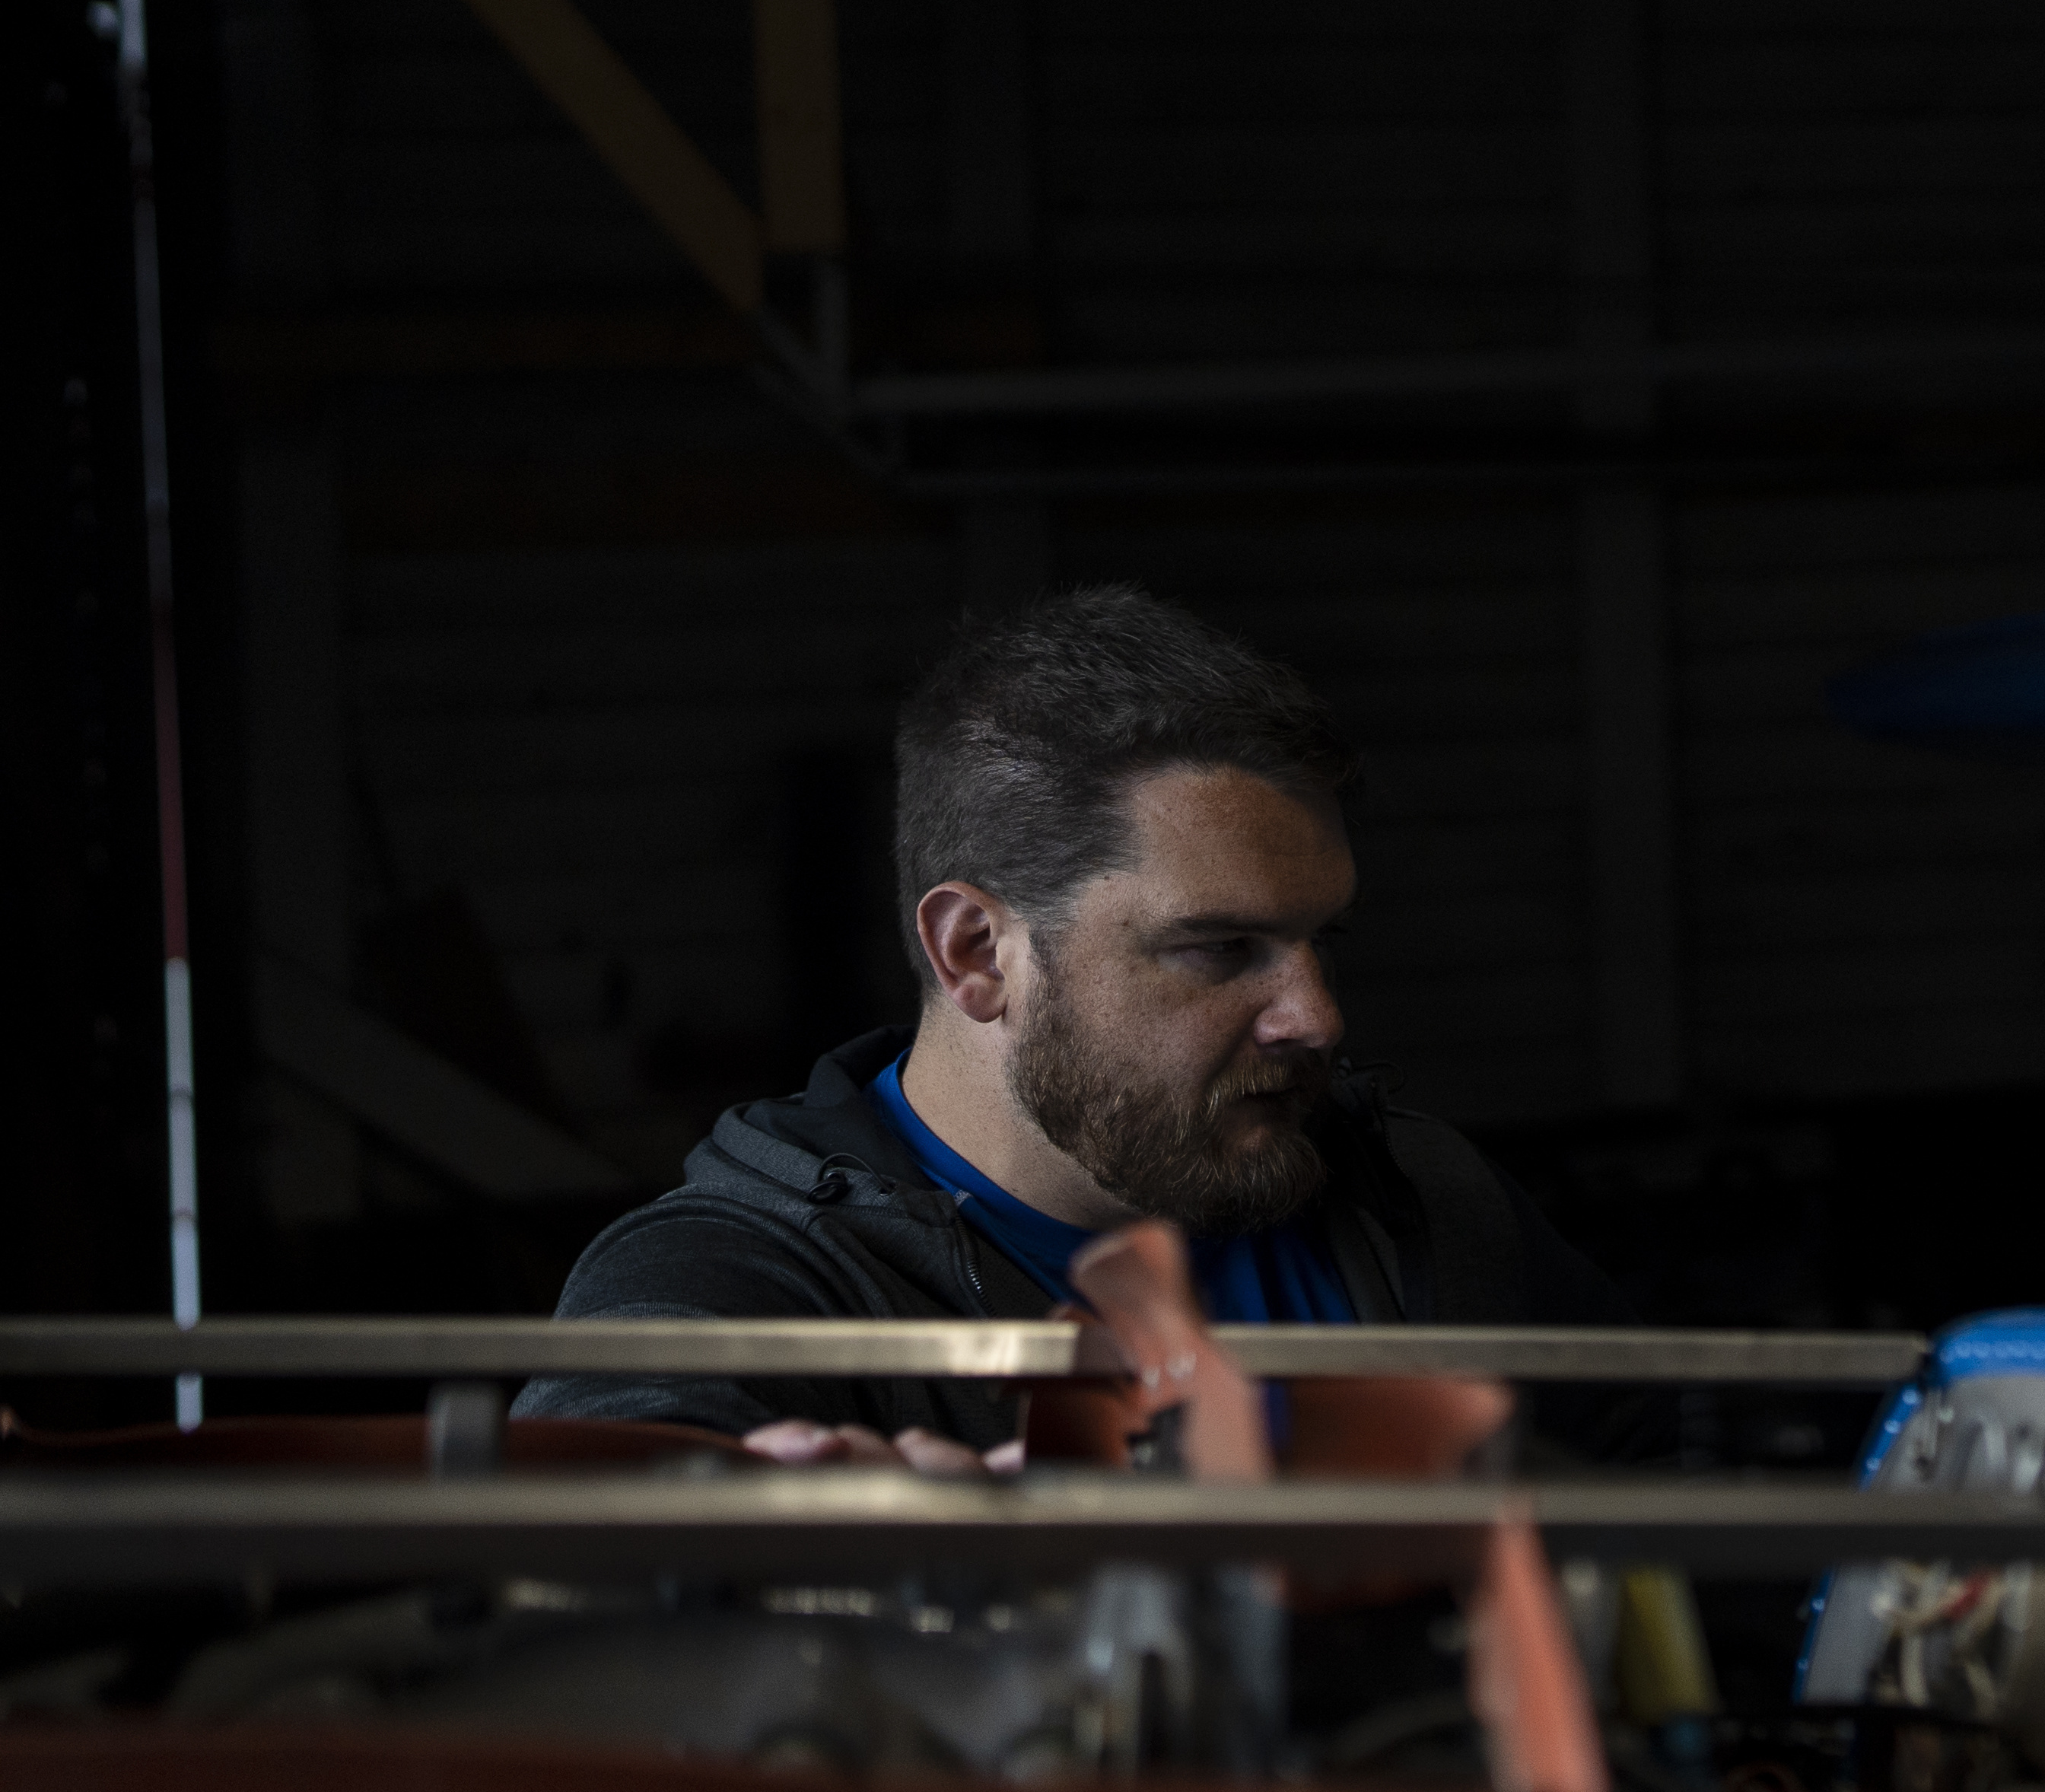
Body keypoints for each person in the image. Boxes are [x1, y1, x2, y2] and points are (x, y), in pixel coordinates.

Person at [517, 586, 1633, 1461]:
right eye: (1219, 949)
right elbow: (580, 1621)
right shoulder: (737, 1288)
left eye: (1320, 941)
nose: (1316, 1018)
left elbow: (1690, 1519)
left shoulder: (1423, 1213)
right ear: (977, 954)